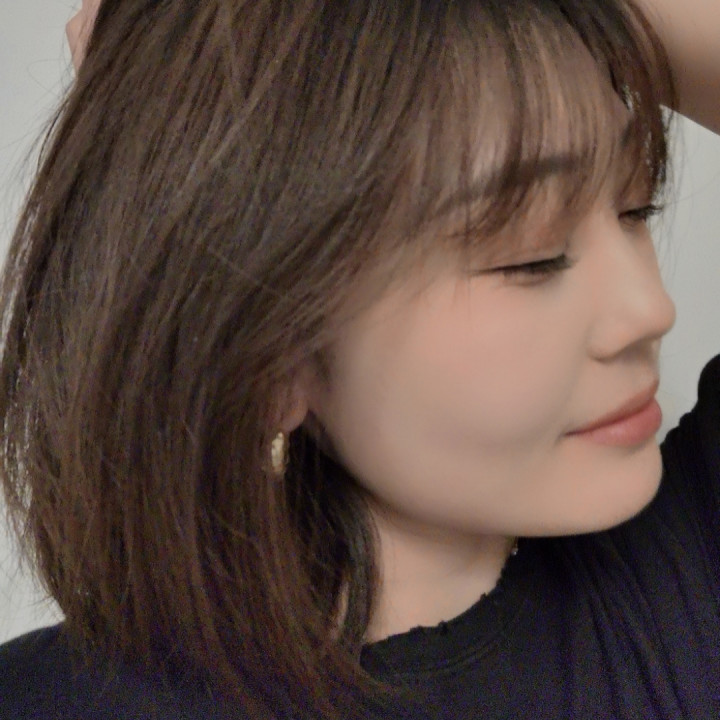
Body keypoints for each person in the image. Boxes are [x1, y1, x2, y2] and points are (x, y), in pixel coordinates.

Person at [0, 0, 718, 718]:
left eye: (636, 208)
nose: (649, 309)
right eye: (532, 256)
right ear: (269, 357)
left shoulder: (688, 570)